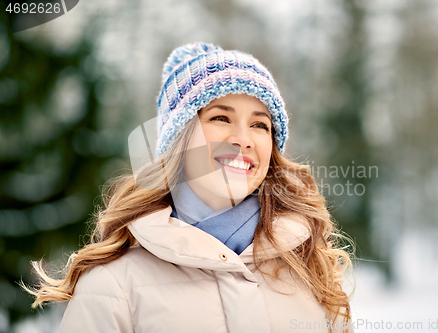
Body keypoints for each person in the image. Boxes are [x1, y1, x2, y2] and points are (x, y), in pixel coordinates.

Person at [22, 42, 354, 333]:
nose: (243, 139)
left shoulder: (310, 268)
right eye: (220, 118)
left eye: (259, 124)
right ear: (178, 142)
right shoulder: (113, 287)